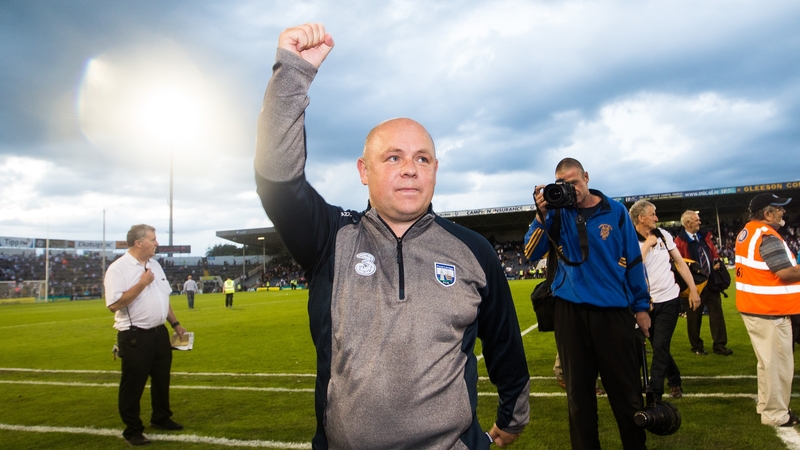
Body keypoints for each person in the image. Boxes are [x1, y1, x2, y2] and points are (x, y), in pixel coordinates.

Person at [255, 23, 530, 449]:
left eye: (422, 158)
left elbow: (505, 344)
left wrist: (513, 417)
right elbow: (277, 178)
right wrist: (293, 72)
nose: (409, 168)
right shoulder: (330, 237)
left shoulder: (472, 250)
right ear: (364, 171)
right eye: (393, 157)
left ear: (435, 170)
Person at [524, 157, 650, 449]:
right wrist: (541, 214)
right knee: (579, 400)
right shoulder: (556, 214)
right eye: (563, 184)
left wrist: (641, 307)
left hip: (613, 313)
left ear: (587, 177)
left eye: (575, 182)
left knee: (627, 395)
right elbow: (531, 252)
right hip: (570, 314)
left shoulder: (616, 212)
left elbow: (633, 260)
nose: (571, 189)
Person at [104, 224, 187, 446]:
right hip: (134, 335)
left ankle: (161, 417)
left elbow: (164, 298)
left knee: (162, 378)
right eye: (153, 239)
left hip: (159, 332)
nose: (156, 243)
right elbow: (114, 304)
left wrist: (175, 324)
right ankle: (132, 430)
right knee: (133, 383)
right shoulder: (118, 269)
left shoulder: (156, 265)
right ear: (138, 242)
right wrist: (141, 284)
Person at [735, 193, 800, 426]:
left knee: (767, 363)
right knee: (778, 365)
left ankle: (765, 405)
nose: (783, 212)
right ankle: (775, 414)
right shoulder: (766, 235)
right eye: (779, 209)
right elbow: (785, 273)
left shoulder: (748, 231)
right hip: (769, 309)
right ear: (767, 214)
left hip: (756, 307)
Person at [630, 200, 701, 401]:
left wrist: (693, 290)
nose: (656, 218)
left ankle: (655, 393)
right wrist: (646, 247)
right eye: (652, 214)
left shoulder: (664, 235)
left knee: (660, 346)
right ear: (640, 217)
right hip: (644, 304)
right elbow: (631, 268)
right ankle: (675, 379)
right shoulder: (628, 239)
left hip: (669, 299)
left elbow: (679, 262)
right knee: (657, 345)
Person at [674, 210, 733, 356]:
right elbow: (678, 264)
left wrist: (717, 262)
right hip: (693, 285)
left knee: (717, 315)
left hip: (711, 283)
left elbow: (713, 253)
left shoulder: (704, 237)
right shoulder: (679, 242)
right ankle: (697, 347)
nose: (700, 222)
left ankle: (719, 345)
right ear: (688, 223)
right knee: (694, 318)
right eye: (696, 220)